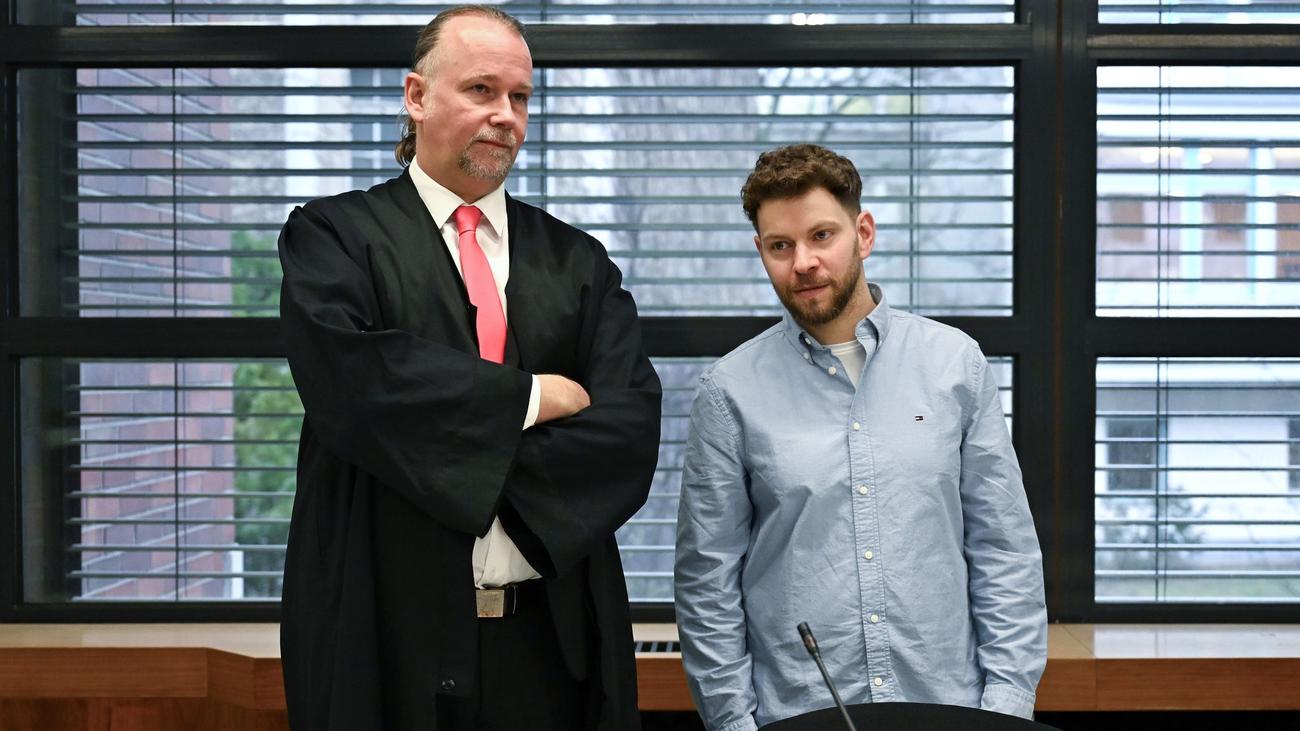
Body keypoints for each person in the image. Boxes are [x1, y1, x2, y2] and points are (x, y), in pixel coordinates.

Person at [276, 6, 662, 730]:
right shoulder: (334, 238)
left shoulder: (578, 263)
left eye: (520, 97)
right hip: (385, 638)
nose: (505, 116)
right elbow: (357, 386)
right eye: (481, 90)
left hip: (550, 647)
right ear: (417, 96)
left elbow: (629, 427)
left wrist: (448, 450)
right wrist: (531, 398)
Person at [674, 144, 1046, 731]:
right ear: (761, 252)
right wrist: (734, 724)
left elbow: (1004, 550)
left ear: (863, 234)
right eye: (780, 246)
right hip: (797, 715)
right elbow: (707, 579)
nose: (803, 262)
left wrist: (1005, 709)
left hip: (948, 708)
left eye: (822, 236)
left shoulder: (955, 365)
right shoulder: (729, 391)